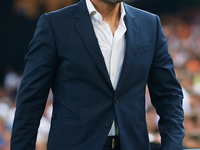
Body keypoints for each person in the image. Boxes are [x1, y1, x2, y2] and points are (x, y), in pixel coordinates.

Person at [10, 0, 185, 149]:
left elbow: (169, 96)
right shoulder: (54, 24)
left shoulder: (150, 24)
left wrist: (172, 145)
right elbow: (30, 103)